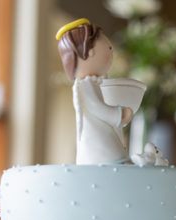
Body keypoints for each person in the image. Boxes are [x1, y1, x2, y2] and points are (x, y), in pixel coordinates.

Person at [56, 18, 132, 165]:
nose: (111, 51)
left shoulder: (95, 83)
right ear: (89, 52)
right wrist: (119, 114)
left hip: (102, 131)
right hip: (97, 141)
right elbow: (95, 107)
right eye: (109, 48)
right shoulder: (84, 86)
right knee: (112, 155)